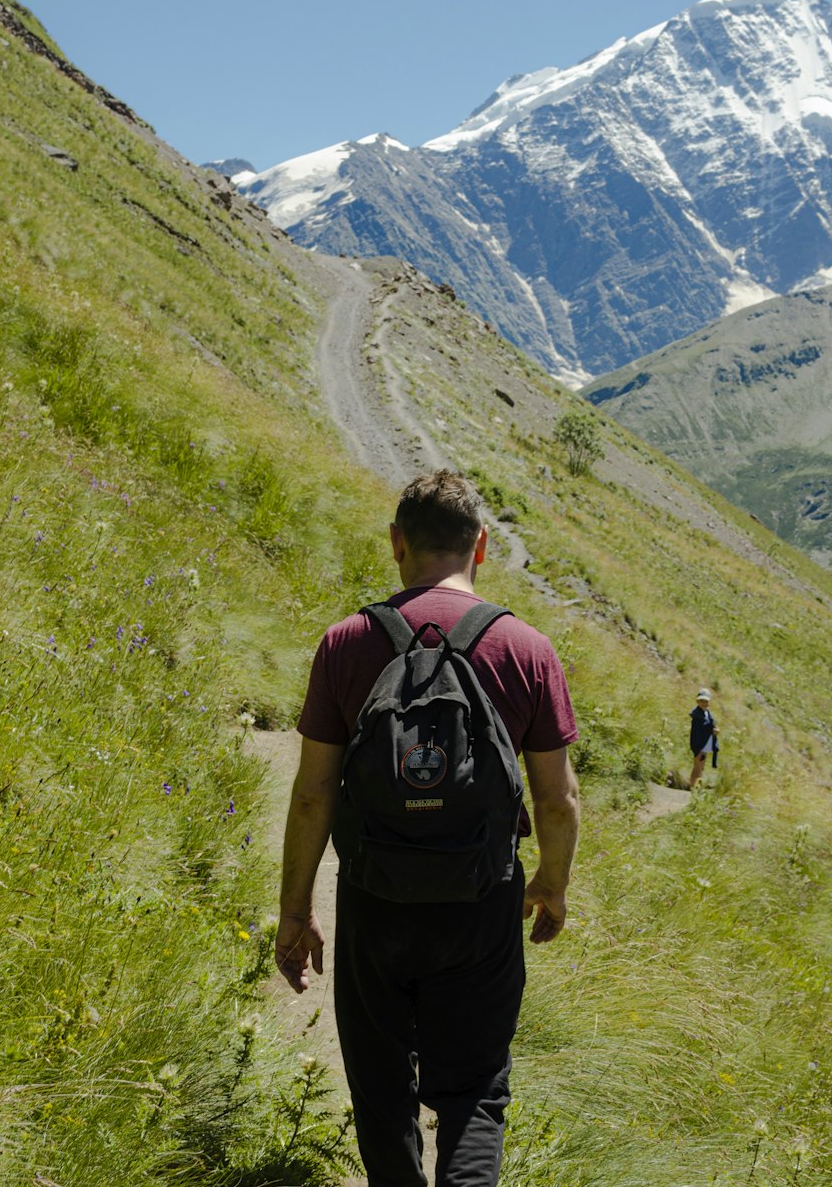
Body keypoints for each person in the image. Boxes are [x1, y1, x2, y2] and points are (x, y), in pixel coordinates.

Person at [275, 469, 580, 1187]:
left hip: (376, 898)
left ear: (396, 543)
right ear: (480, 549)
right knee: (475, 1090)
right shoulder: (527, 650)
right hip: (483, 899)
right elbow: (559, 798)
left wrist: (296, 911)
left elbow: (314, 794)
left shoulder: (346, 643)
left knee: (381, 1092)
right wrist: (551, 885)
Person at [688, 687, 718, 789]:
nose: (704, 703)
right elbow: (699, 730)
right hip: (699, 744)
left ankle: (697, 787)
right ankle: (693, 788)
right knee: (698, 767)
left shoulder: (706, 713)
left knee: (701, 767)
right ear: (698, 701)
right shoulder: (697, 715)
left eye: (706, 701)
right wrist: (711, 730)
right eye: (701, 701)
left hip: (705, 744)